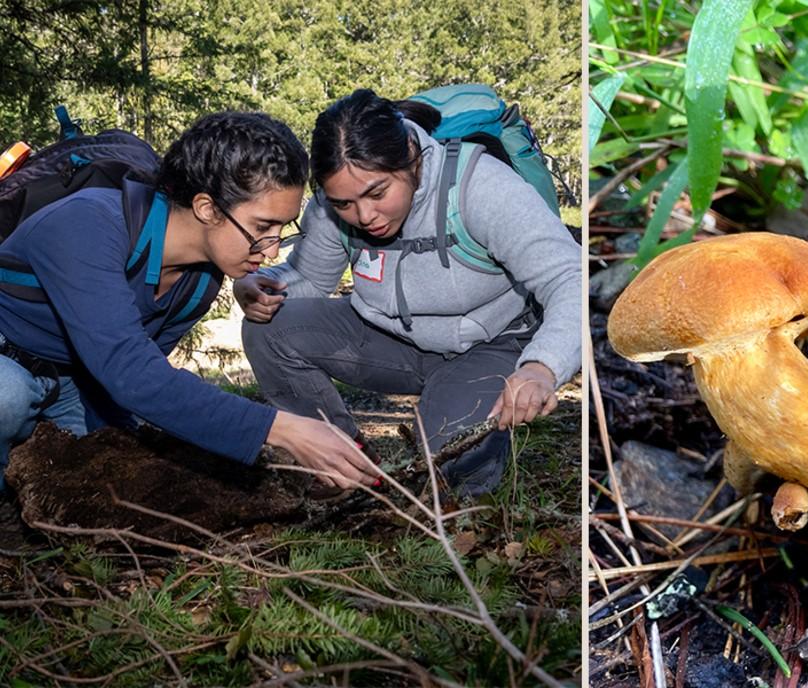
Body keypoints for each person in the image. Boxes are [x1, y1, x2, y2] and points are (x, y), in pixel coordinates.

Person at [0, 112, 379, 493]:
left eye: (283, 228)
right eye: (263, 227)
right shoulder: (87, 223)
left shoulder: (199, 283)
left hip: (72, 381)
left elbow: (138, 382)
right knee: (8, 397)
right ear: (206, 208)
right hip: (9, 361)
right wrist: (283, 429)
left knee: (104, 482)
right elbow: (131, 374)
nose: (272, 250)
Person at [234, 89, 581, 497]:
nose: (365, 216)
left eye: (378, 193)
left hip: (493, 343)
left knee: (447, 470)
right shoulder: (333, 205)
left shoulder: (479, 187)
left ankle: (465, 434)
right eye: (344, 203)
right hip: (391, 339)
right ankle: (341, 462)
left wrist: (542, 367)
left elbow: (568, 277)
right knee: (270, 330)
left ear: (412, 158)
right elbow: (307, 277)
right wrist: (259, 288)